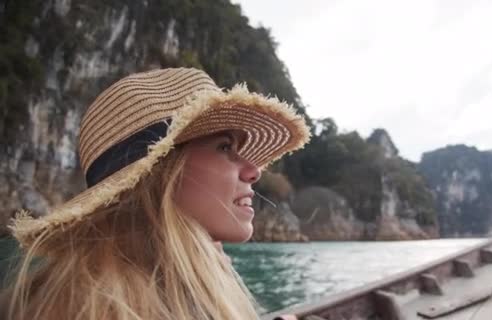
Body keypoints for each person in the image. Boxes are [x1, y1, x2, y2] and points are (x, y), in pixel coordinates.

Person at [2, 68, 310, 320]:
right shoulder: (111, 308)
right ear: (161, 174)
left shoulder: (123, 290)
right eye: (225, 147)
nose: (254, 170)